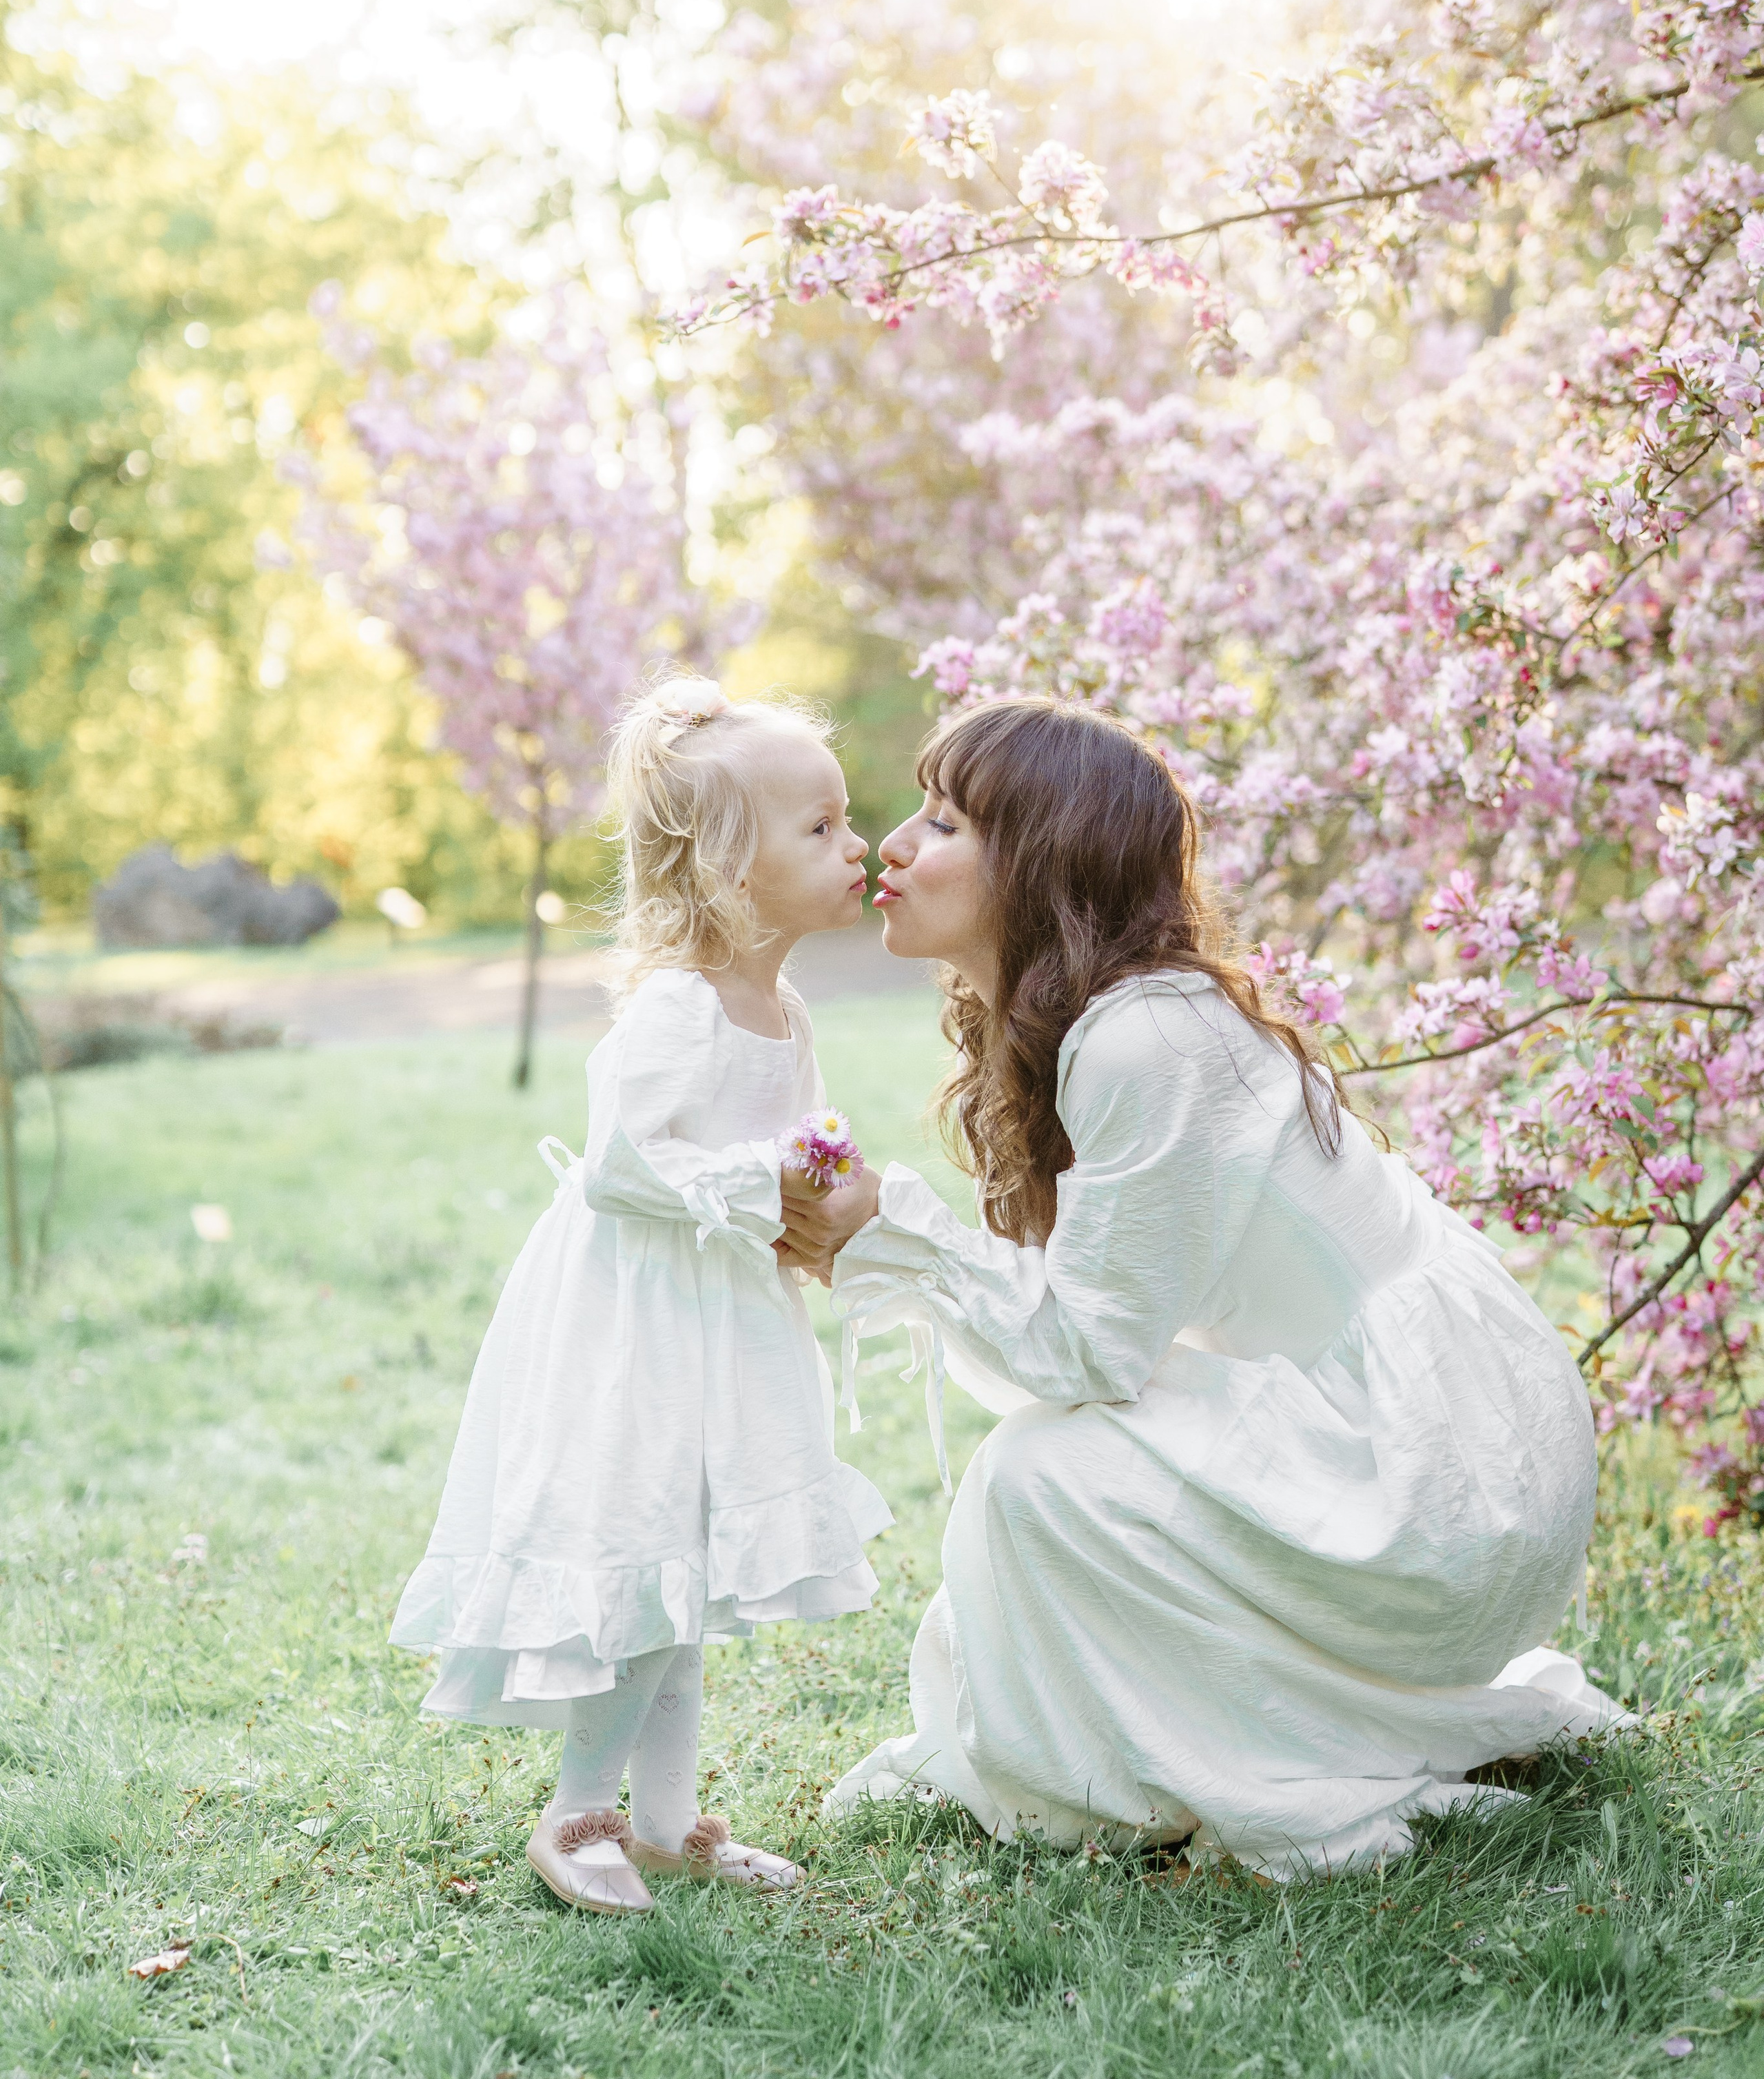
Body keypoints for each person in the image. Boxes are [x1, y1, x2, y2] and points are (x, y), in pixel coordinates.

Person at [777, 697, 1620, 1877]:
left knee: (1039, 1477)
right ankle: (1225, 1730)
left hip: (1447, 1487)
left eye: (946, 820)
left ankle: (1222, 1760)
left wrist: (893, 1238)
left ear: (1044, 858)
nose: (898, 846)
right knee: (1054, 1462)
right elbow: (1087, 1341)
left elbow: (1087, 1358)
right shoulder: (1117, 1021)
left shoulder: (1148, 1038)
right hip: (1434, 1446)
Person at [391, 678, 891, 1913]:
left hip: (724, 1312)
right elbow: (620, 1166)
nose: (858, 844)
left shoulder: (782, 1005)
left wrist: (829, 1189)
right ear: (728, 866)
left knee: (694, 1575)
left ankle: (671, 1824)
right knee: (646, 1558)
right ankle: (577, 1814)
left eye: (846, 820)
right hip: (640, 1321)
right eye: (818, 828)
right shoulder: (679, 1007)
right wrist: (758, 1178)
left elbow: (798, 1132)